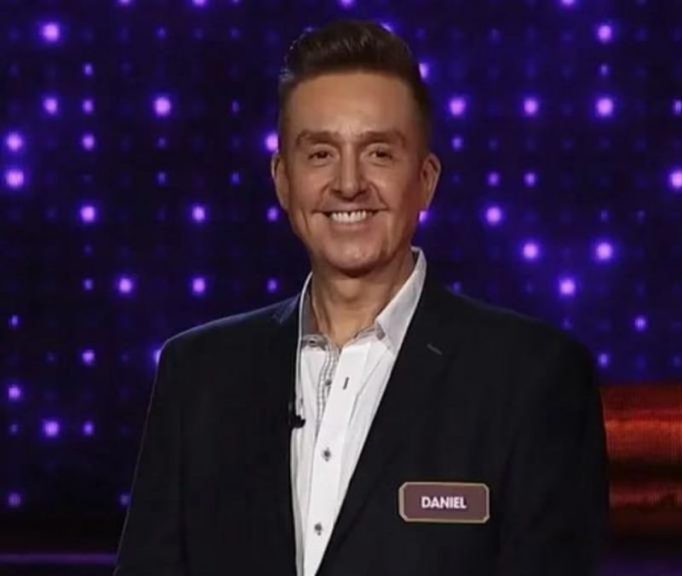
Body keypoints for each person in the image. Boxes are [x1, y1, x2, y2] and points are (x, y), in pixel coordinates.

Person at [115, 19, 608, 576]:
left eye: (378, 153)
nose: (348, 184)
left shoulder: (534, 379)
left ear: (426, 179)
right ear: (282, 179)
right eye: (320, 154)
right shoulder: (197, 376)